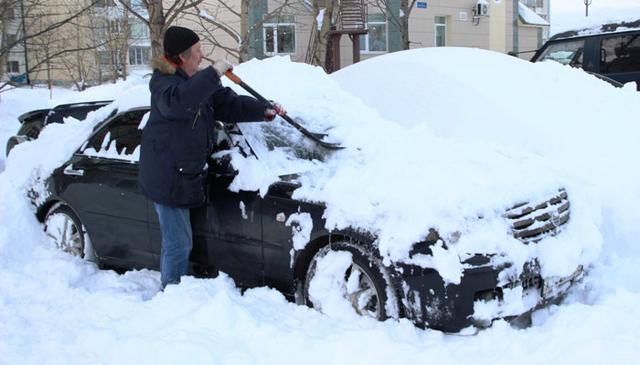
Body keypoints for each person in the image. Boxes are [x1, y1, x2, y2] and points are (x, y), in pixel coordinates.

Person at [138, 26, 286, 290]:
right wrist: (213, 73)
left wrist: (264, 109)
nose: (202, 56)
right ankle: (170, 293)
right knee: (178, 243)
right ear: (182, 57)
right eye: (197, 52)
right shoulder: (164, 85)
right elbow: (181, 101)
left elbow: (227, 104)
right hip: (167, 177)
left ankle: (180, 286)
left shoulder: (197, 82)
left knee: (185, 240)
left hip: (188, 173)